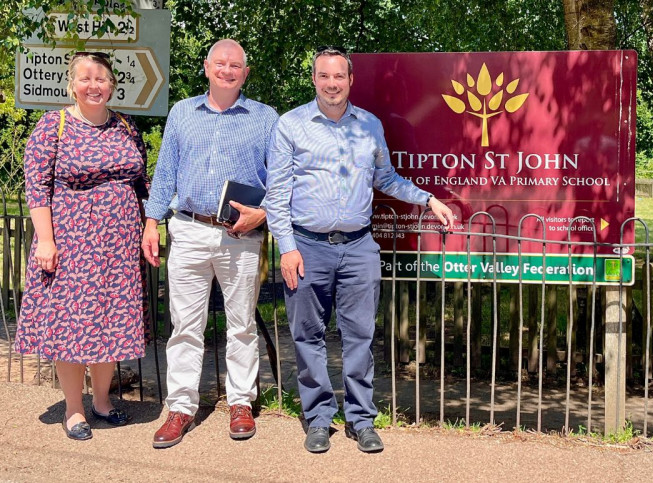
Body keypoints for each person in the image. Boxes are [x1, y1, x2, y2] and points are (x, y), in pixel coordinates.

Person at [265, 47, 454, 454]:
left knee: (360, 337)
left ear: (350, 80)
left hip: (359, 248)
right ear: (314, 79)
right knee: (307, 336)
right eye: (324, 76)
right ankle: (317, 418)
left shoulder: (369, 126)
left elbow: (386, 177)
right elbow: (276, 194)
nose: (332, 84)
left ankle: (361, 419)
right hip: (307, 248)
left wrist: (427, 200)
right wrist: (287, 248)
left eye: (339, 76)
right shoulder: (290, 125)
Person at [141, 39, 278, 448]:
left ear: (246, 73)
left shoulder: (265, 118)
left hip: (241, 234)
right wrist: (152, 221)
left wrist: (265, 212)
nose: (227, 70)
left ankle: (240, 402)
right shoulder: (183, 113)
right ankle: (180, 407)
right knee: (184, 325)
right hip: (189, 229)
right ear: (206, 67)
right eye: (220, 63)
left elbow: (283, 178)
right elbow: (165, 173)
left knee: (241, 324)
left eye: (236, 65)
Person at [16, 51, 149, 440]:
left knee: (110, 321)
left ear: (112, 84)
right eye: (86, 78)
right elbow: (36, 186)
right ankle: (74, 410)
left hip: (119, 243)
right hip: (71, 242)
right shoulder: (51, 126)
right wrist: (46, 240)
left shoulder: (126, 126)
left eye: (102, 78)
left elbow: (142, 183)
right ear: (72, 84)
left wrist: (150, 224)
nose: (95, 85)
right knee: (72, 324)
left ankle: (102, 402)